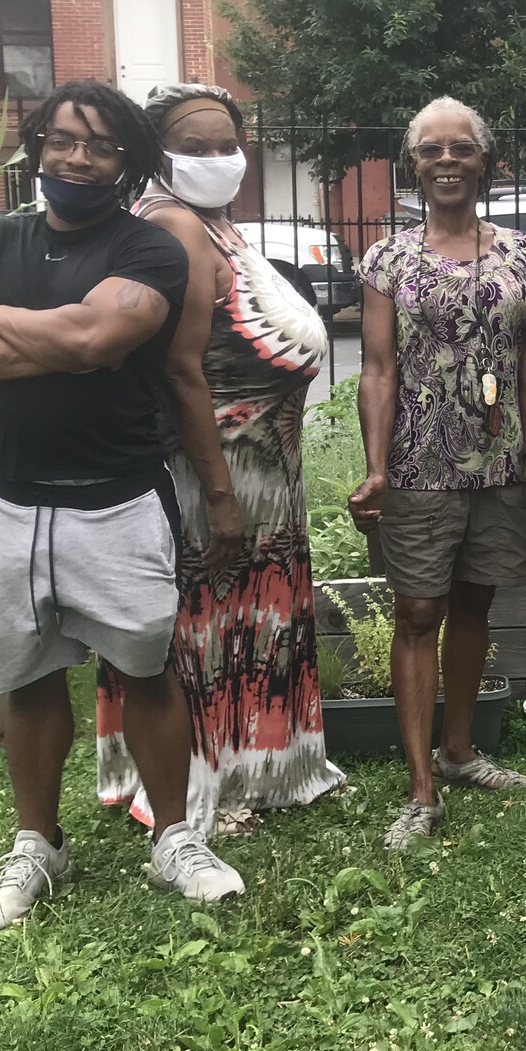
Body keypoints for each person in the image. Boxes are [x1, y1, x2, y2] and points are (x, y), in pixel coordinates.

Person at [0, 79, 244, 927]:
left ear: (128, 162)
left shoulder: (151, 250)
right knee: (27, 678)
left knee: (146, 668)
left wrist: (19, 327)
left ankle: (174, 838)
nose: (77, 157)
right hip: (8, 499)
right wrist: (65, 337)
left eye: (99, 145)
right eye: (62, 139)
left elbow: (103, 338)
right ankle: (37, 845)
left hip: (119, 498)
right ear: (37, 146)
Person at [91, 83, 348, 836]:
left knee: (245, 627)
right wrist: (221, 497)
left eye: (226, 145)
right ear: (157, 156)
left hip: (263, 472)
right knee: (208, 632)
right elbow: (179, 371)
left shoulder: (214, 225)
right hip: (218, 474)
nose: (216, 160)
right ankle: (201, 787)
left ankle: (258, 769)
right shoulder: (173, 226)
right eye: (193, 148)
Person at [349, 97, 526, 851]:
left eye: (463, 149)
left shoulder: (524, 256)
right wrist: (377, 468)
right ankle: (420, 787)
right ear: (414, 164)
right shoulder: (388, 260)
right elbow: (377, 369)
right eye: (432, 150)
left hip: (499, 468)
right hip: (417, 467)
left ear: (486, 162)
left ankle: (460, 750)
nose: (448, 161)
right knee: (418, 616)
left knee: (476, 607)